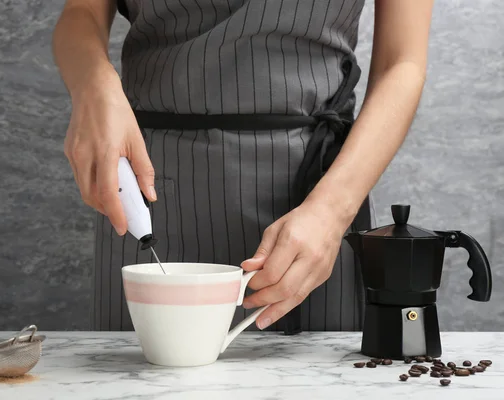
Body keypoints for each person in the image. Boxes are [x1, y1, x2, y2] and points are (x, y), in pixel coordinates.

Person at [52, 0, 434, 333]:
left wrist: (332, 212)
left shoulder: (324, 213)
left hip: (312, 206)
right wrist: (94, 85)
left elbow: (402, 62)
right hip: (147, 187)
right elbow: (82, 11)